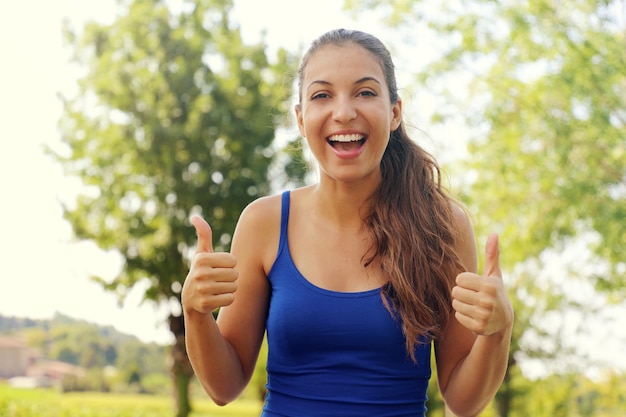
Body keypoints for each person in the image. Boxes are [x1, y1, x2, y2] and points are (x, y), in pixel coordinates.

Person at [182, 28, 514, 417]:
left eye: (365, 92)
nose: (343, 112)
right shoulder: (264, 223)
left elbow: (463, 401)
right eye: (322, 95)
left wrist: (498, 331)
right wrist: (195, 312)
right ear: (301, 119)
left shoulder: (442, 226)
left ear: (394, 113)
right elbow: (224, 386)